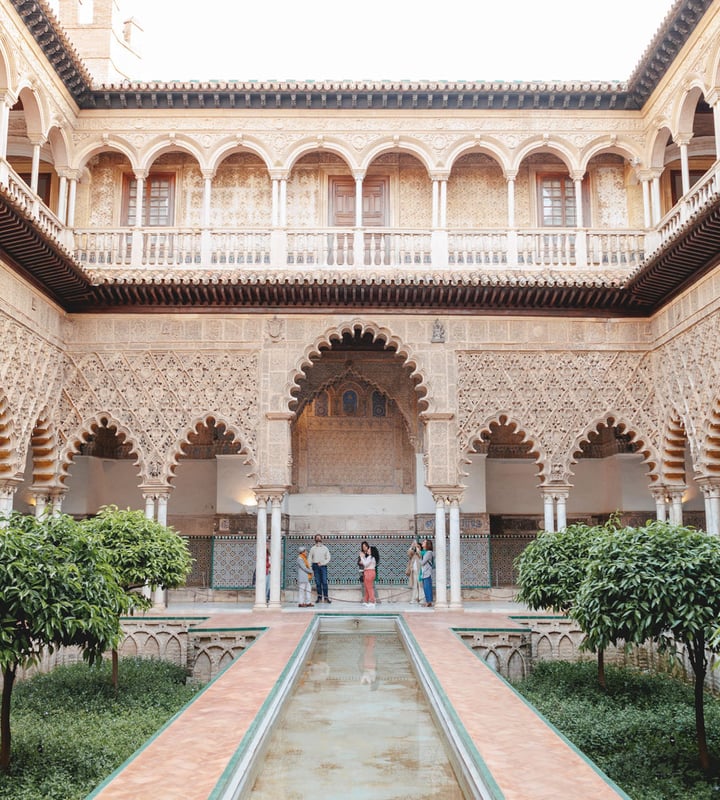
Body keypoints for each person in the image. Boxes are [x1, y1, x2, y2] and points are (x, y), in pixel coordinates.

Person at [309, 534, 331, 603]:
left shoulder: (325, 548)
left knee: (324, 582)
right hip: (315, 566)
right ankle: (319, 598)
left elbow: (328, 558)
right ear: (315, 539)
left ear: (321, 539)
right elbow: (309, 558)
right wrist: (310, 568)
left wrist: (322, 563)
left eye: (319, 538)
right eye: (317, 538)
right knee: (318, 583)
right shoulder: (312, 548)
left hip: (323, 566)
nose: (318, 539)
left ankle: (326, 598)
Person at [359, 540, 376, 607]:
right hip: (367, 572)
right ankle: (366, 600)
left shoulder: (371, 557)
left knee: (369, 587)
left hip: (370, 572)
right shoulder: (369, 557)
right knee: (366, 587)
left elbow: (365, 564)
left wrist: (361, 557)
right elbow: (365, 562)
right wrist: (362, 558)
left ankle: (372, 602)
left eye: (369, 549)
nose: (368, 550)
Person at [406, 539, 422, 603]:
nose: (416, 547)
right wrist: (411, 547)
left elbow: (420, 554)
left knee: (420, 585)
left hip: (419, 570)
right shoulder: (412, 554)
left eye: (418, 546)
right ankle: (414, 598)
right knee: (414, 585)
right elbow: (409, 553)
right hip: (414, 571)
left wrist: (417, 549)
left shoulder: (420, 553)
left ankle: (421, 598)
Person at [421, 538, 434, 607]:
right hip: (425, 573)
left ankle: (429, 602)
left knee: (427, 588)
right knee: (426, 587)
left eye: (424, 542)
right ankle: (428, 602)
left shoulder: (428, 553)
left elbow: (422, 563)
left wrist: (418, 557)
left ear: (427, 545)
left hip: (427, 573)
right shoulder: (427, 553)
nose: (422, 543)